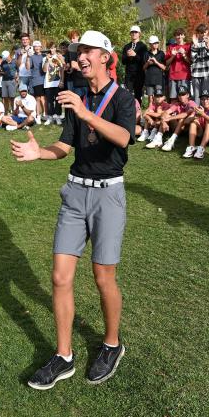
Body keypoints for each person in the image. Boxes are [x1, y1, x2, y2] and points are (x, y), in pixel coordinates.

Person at [11, 29, 135, 390]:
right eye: (78, 52)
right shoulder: (77, 96)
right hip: (75, 194)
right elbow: (66, 145)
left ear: (106, 57)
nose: (80, 57)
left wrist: (85, 113)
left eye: (87, 51)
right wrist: (39, 153)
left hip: (108, 196)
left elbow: (125, 138)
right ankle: (63, 355)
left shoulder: (123, 98)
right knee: (60, 277)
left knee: (102, 278)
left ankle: (112, 344)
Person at [183, 89, 209, 159]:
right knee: (193, 121)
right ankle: (191, 147)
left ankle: (201, 149)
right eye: (202, 99)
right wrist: (195, 117)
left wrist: (203, 115)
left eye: (208, 99)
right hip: (203, 136)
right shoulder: (198, 109)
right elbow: (186, 121)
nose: (205, 101)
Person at [157, 85, 195, 152]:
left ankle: (172, 140)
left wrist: (169, 118)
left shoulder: (191, 103)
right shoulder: (177, 104)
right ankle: (158, 138)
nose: (181, 97)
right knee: (166, 116)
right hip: (178, 127)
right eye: (180, 95)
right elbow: (165, 113)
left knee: (181, 118)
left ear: (188, 95)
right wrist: (163, 122)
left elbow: (185, 115)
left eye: (183, 94)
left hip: (188, 128)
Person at [189, 24, 209, 103]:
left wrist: (207, 44)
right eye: (201, 32)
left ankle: (207, 114)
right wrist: (195, 44)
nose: (203, 34)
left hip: (208, 71)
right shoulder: (194, 43)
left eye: (204, 32)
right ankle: (197, 114)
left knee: (207, 95)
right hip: (196, 72)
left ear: (207, 32)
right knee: (196, 96)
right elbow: (193, 57)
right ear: (198, 33)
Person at [120, 25, 148, 102]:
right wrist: (128, 56)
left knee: (138, 94)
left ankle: (138, 113)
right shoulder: (127, 46)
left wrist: (135, 55)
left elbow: (144, 61)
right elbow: (123, 61)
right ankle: (129, 111)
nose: (134, 34)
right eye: (132, 32)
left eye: (136, 32)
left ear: (139, 34)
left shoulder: (143, 46)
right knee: (128, 94)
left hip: (139, 74)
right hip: (129, 74)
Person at [165, 28, 191, 100]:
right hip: (173, 75)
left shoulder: (188, 46)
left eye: (181, 35)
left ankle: (183, 111)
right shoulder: (171, 47)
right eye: (177, 35)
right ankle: (174, 111)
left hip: (184, 76)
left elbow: (191, 62)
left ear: (184, 36)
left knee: (184, 98)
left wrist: (184, 54)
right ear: (174, 37)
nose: (179, 37)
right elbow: (166, 63)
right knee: (173, 98)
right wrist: (173, 56)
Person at [43, 44, 65, 125]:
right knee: (49, 101)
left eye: (53, 47)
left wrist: (62, 81)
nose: (52, 49)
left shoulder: (59, 57)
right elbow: (45, 70)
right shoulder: (45, 58)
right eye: (50, 48)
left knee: (58, 100)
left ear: (56, 48)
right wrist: (46, 60)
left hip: (57, 82)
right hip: (48, 83)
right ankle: (50, 117)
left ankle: (58, 117)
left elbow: (62, 69)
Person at [142, 36, 167, 103]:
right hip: (149, 78)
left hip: (159, 79)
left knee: (159, 96)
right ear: (150, 44)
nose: (156, 44)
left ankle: (159, 111)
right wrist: (148, 63)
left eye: (157, 43)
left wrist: (156, 62)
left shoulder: (161, 53)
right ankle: (150, 111)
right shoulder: (146, 54)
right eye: (154, 43)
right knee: (150, 98)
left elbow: (164, 67)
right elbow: (143, 68)